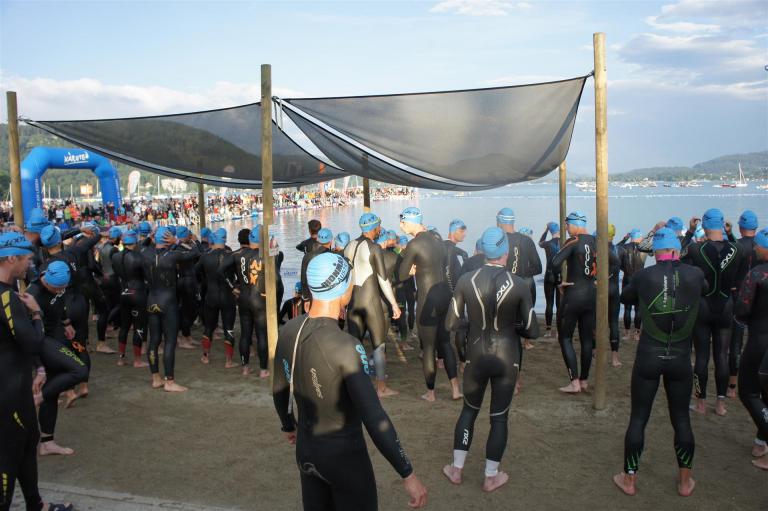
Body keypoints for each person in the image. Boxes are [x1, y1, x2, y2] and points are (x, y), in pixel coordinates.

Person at [272, 252, 427, 510]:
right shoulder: (347, 346)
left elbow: (279, 388)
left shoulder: (289, 329)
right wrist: (407, 472)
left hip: (307, 451)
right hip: (344, 459)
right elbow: (374, 417)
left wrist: (288, 425)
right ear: (342, 289)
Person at [442, 227, 539, 492]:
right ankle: (491, 476)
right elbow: (532, 330)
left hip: (476, 354)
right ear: (506, 252)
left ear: (484, 251)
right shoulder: (519, 284)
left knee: (468, 411)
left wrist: (473, 325)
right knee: (499, 417)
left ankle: (456, 469)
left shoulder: (466, 280)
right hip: (507, 356)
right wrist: (512, 327)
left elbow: (451, 323)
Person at [613, 228, 706, 497]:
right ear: (676, 250)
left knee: (639, 417)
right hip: (680, 358)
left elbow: (625, 297)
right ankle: (685, 482)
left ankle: (629, 480)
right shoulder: (695, 274)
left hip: (649, 356)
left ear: (655, 253)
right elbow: (704, 289)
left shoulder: (644, 276)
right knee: (681, 419)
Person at [0, 232, 73, 511]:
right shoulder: (7, 297)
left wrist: (39, 369)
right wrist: (36, 314)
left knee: (29, 441)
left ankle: (36, 504)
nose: (30, 264)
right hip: (8, 389)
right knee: (9, 455)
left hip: (16, 383)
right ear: (11, 258)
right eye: (27, 259)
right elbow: (32, 342)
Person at [682, 208, 742, 416]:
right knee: (722, 356)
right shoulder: (736, 249)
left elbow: (676, 256)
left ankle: (700, 403)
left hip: (703, 307)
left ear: (704, 225)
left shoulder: (695, 249)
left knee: (701, 356)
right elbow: (742, 253)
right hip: (726, 306)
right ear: (722, 225)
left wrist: (690, 232)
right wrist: (731, 234)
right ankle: (720, 405)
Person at [398, 207, 461, 401]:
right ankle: (455, 390)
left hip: (427, 299)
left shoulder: (414, 244)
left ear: (412, 222)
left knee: (428, 347)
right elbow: (444, 266)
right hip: (444, 295)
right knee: (445, 342)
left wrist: (412, 269)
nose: (401, 226)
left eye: (403, 222)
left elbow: (401, 275)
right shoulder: (438, 240)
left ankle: (431, 393)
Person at [27, 261, 88, 457]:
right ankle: (37, 397)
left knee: (53, 390)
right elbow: (28, 337)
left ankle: (47, 443)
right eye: (56, 288)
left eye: (63, 288)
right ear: (47, 280)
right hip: (41, 341)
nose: (60, 291)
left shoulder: (60, 281)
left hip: (55, 336)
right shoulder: (33, 294)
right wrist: (39, 368)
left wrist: (66, 322)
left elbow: (60, 304)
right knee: (80, 370)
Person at [40, 224, 99, 404]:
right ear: (59, 240)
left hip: (62, 306)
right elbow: (93, 238)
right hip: (80, 303)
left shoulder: (46, 265)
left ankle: (68, 390)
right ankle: (84, 386)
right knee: (80, 344)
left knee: (62, 348)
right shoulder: (73, 252)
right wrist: (84, 230)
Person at [344, 213, 401, 398]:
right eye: (379, 227)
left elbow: (345, 278)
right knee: (379, 346)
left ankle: (353, 386)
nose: (380, 230)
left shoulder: (348, 246)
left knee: (354, 345)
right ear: (374, 228)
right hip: (370, 302)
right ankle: (381, 388)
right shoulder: (374, 247)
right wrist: (394, 304)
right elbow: (383, 280)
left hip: (352, 302)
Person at [142, 226, 199, 391]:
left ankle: (155, 378)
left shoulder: (145, 253)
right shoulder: (173, 255)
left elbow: (143, 245)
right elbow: (196, 252)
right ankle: (169, 382)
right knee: (170, 342)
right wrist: (178, 241)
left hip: (151, 301)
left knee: (154, 340)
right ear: (169, 240)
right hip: (168, 303)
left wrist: (150, 237)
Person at [734, 227, 768, 470]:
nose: (754, 248)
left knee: (748, 392)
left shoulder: (757, 274)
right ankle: (760, 441)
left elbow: (742, 308)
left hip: (760, 340)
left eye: (758, 245)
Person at [551, 211, 596, 393]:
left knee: (565, 337)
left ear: (576, 224)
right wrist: (597, 278)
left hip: (573, 295)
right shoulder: (595, 241)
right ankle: (584, 380)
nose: (567, 228)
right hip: (591, 295)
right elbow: (613, 261)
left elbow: (555, 262)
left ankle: (574, 382)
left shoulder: (573, 241)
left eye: (568, 225)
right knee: (587, 339)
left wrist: (559, 282)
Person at [222, 227, 269, 377]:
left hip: (243, 298)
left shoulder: (237, 254)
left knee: (245, 334)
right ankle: (263, 370)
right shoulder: (264, 255)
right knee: (261, 335)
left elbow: (221, 269)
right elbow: (275, 278)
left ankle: (245, 368)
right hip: (259, 299)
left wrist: (232, 287)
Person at [497, 208, 541, 352]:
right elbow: (538, 268)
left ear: (499, 221)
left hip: (504, 286)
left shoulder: (498, 240)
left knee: (504, 321)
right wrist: (521, 274)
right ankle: (525, 344)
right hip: (522, 285)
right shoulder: (527, 240)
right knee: (522, 317)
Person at [729, 210, 759, 397]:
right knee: (758, 339)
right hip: (760, 299)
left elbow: (730, 271)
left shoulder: (736, 246)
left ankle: (732, 386)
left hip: (738, 298)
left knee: (736, 343)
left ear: (740, 227)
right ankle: (756, 381)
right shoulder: (762, 245)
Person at [198, 228, 237, 367]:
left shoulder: (205, 256)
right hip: (227, 296)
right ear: (225, 239)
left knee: (209, 327)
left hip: (211, 295)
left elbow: (196, 272)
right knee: (229, 328)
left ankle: (206, 356)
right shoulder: (232, 255)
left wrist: (207, 280)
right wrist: (234, 286)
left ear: (213, 240)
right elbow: (239, 275)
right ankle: (229, 361)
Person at [111, 229, 150, 368]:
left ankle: (121, 358)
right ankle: (137, 360)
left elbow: (116, 273)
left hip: (124, 293)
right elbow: (147, 277)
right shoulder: (138, 257)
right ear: (134, 242)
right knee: (139, 327)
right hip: (137, 293)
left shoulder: (115, 256)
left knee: (124, 326)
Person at [618, 229, 647, 341]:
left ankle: (627, 333)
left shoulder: (624, 247)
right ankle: (637, 334)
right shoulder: (644, 248)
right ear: (639, 237)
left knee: (627, 307)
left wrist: (624, 239)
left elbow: (615, 247)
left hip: (627, 279)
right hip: (640, 279)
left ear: (631, 237)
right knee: (638, 308)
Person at [175, 225, 200, 350]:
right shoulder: (179, 248)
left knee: (190, 308)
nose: (190, 236)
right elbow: (196, 252)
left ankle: (187, 335)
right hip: (186, 281)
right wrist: (195, 241)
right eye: (189, 234)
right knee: (189, 309)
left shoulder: (183, 246)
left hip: (187, 280)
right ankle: (183, 336)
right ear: (185, 235)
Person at [539, 222, 561, 338]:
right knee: (559, 304)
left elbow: (540, 242)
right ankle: (558, 331)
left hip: (549, 275)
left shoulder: (547, 244)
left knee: (549, 303)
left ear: (551, 231)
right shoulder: (565, 242)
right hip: (561, 276)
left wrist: (545, 230)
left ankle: (548, 330)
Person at [300, 227, 333, 306]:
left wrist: (306, 298)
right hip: (331, 296)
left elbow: (304, 280)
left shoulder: (307, 256)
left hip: (313, 295)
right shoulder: (335, 256)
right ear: (331, 241)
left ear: (317, 239)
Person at [606, 224, 623, 367]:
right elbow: (629, 270)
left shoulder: (597, 249)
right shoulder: (620, 250)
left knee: (594, 322)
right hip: (614, 290)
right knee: (614, 324)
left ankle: (594, 351)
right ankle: (614, 358)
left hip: (600, 289)